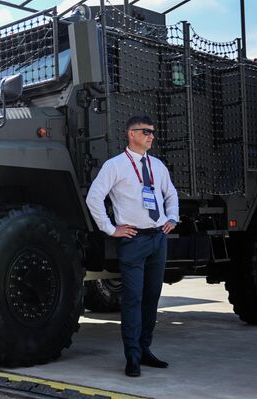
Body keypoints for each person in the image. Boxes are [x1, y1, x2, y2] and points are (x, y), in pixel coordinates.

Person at [85, 115, 179, 377]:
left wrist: (172, 218)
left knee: (151, 298)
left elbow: (170, 194)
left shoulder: (157, 166)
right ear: (131, 135)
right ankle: (133, 357)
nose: (151, 135)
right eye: (146, 131)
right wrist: (110, 228)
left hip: (158, 239)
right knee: (133, 300)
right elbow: (94, 197)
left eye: (152, 132)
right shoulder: (115, 166)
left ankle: (145, 350)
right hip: (133, 240)